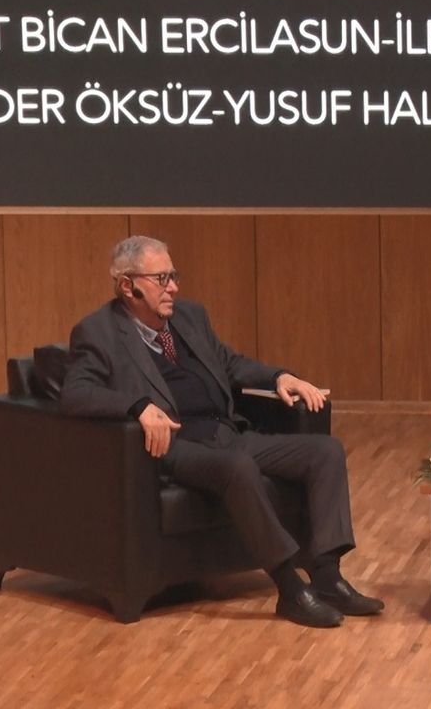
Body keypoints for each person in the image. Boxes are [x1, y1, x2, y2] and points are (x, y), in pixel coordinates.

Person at [60, 236, 383, 628]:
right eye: (162, 279)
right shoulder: (99, 332)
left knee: (325, 452)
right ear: (128, 286)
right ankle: (290, 589)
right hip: (175, 446)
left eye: (174, 276)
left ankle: (328, 577)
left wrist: (280, 377)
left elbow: (228, 363)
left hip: (227, 433)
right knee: (236, 467)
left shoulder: (190, 317)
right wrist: (137, 406)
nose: (173, 287)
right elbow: (75, 394)